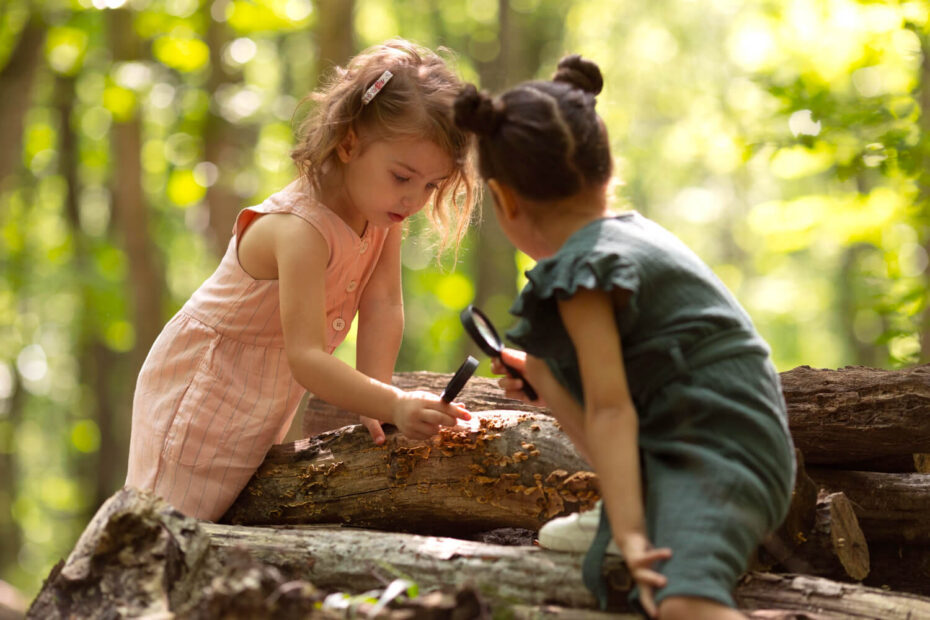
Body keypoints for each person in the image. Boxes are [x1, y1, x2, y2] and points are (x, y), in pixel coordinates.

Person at [453, 56, 795, 619]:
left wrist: (634, 534)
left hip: (713, 455)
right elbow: (614, 391)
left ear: (505, 199)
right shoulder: (627, 239)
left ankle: (635, 524)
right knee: (547, 363)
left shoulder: (584, 270)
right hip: (722, 433)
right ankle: (628, 513)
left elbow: (612, 410)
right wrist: (541, 376)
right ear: (605, 170)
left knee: (682, 604)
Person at [126, 39, 477, 522]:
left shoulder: (381, 213)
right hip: (202, 394)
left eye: (431, 186)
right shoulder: (301, 230)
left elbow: (383, 305)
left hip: (259, 402)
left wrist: (377, 401)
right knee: (161, 529)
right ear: (349, 143)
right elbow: (308, 358)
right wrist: (396, 403)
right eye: (402, 177)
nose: (415, 200)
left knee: (220, 528)